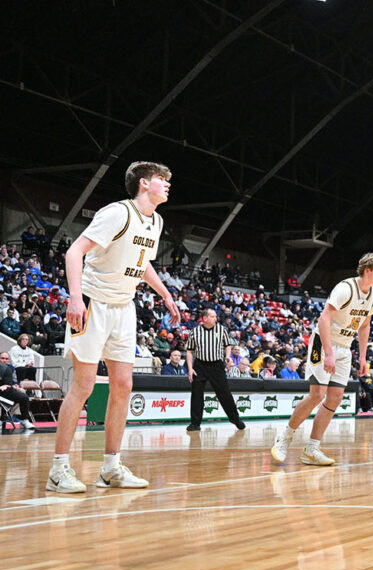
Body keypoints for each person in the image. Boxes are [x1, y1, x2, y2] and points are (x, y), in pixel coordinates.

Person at [48, 161, 180, 493]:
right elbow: (74, 251)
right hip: (93, 302)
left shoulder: (157, 221)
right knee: (84, 386)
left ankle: (110, 468)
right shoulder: (117, 213)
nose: (167, 185)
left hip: (124, 306)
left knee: (123, 384)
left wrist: (165, 294)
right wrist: (75, 297)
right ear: (145, 183)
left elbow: (143, 261)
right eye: (162, 180)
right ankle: (59, 469)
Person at [270, 253, 373, 465]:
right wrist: (329, 353)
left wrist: (362, 356)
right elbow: (324, 319)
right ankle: (284, 437)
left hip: (345, 345)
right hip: (322, 342)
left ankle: (311, 450)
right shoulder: (345, 288)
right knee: (317, 394)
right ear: (368, 270)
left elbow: (365, 325)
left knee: (334, 398)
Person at [185, 308, 244, 431]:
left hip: (216, 365)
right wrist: (190, 369)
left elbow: (228, 345)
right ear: (205, 318)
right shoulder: (195, 332)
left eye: (215, 316)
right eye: (212, 316)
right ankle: (195, 423)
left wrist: (227, 356)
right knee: (196, 394)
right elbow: (190, 351)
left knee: (224, 393)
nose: (215, 318)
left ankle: (235, 419)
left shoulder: (221, 329)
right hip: (200, 365)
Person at [0, 351, 36, 429]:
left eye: (6, 359)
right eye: (2, 358)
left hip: (7, 389)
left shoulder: (11, 368)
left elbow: (13, 380)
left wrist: (14, 386)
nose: (4, 360)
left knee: (24, 396)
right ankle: (5, 416)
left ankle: (23, 419)